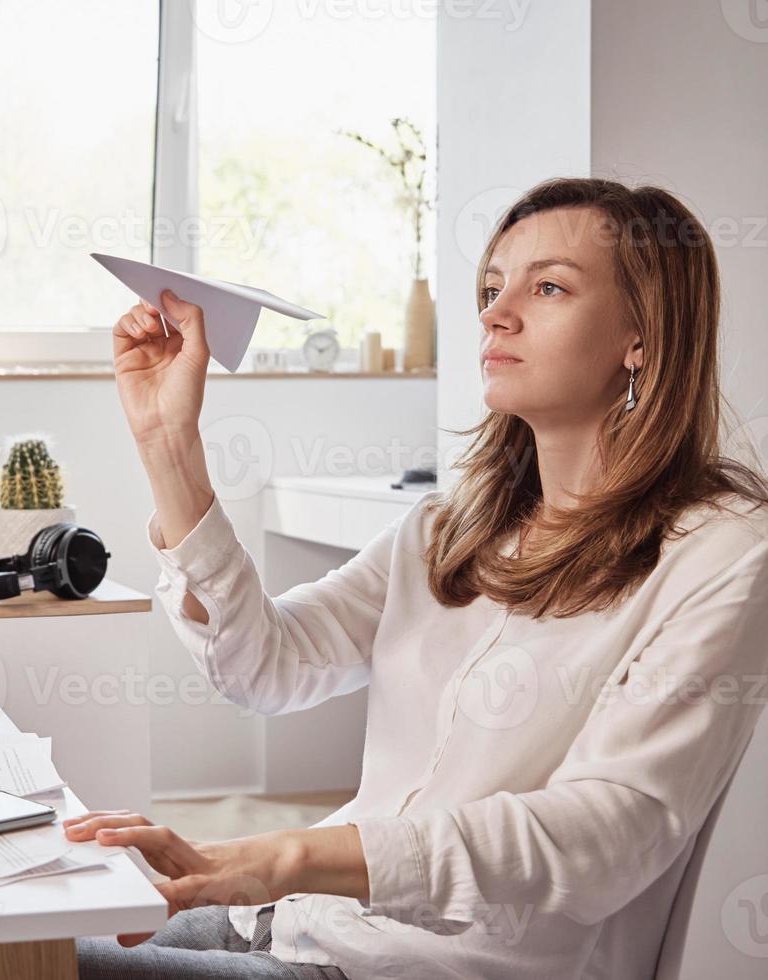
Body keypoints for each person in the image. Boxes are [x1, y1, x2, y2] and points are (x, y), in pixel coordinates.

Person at [69, 177, 768, 979]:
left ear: (640, 336)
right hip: (292, 924)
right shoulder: (447, 529)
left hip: (415, 965)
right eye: (491, 287)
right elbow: (264, 666)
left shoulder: (717, 552)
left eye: (547, 287)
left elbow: (606, 833)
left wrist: (288, 854)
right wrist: (167, 441)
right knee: (6, 945)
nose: (495, 314)